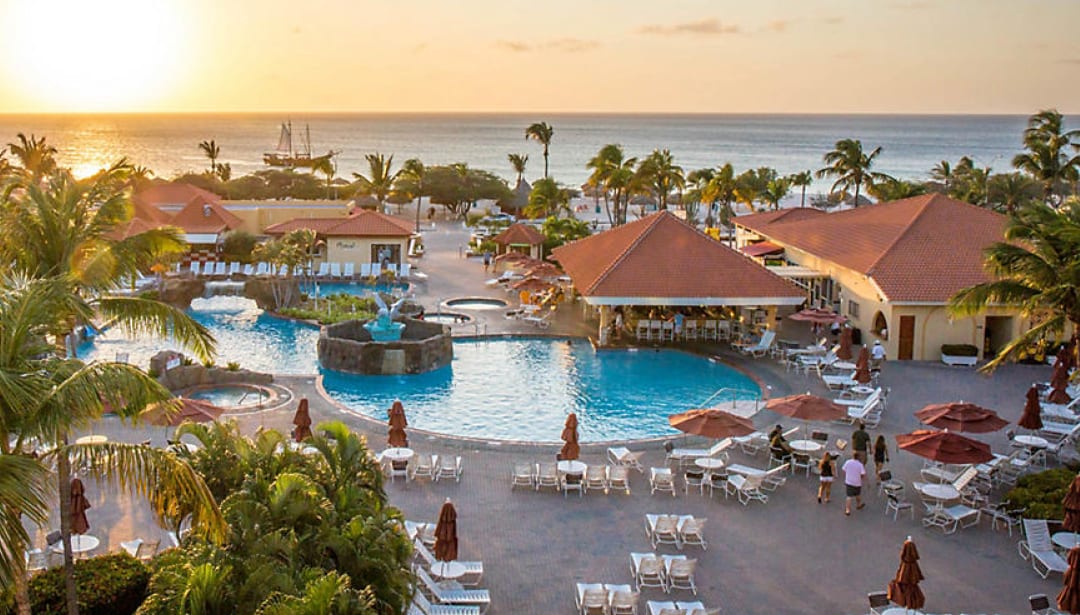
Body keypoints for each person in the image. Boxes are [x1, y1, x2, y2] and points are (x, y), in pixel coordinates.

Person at [841, 451, 867, 516]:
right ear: (858, 457)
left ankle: (847, 510)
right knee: (857, 494)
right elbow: (863, 474)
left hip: (849, 481)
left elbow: (843, 469)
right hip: (857, 482)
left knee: (849, 496)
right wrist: (861, 478)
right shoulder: (860, 465)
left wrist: (847, 475)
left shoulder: (848, 462)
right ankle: (858, 505)